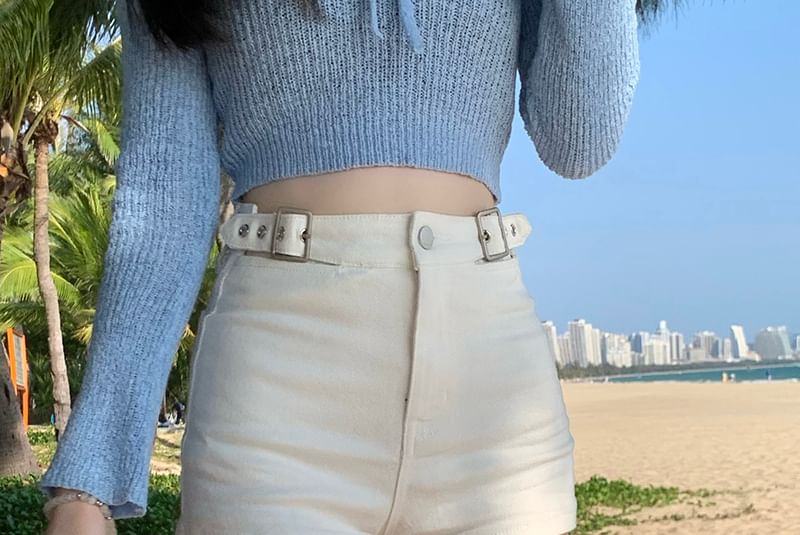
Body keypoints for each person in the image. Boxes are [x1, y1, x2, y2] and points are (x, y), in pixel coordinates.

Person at [39, 0, 641, 533]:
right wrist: (89, 483)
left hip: (495, 402)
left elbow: (579, 139)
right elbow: (164, 198)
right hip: (275, 398)